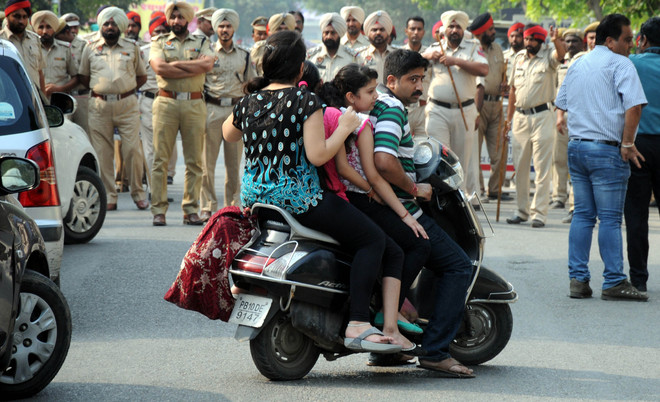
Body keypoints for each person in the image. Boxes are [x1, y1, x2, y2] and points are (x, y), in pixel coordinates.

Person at [222, 30, 405, 353]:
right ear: (301, 68)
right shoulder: (305, 100)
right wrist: (346, 128)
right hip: (299, 199)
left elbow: (229, 134)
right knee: (373, 240)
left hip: (256, 199)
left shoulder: (250, 101)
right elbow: (318, 155)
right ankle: (359, 323)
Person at [316, 63, 431, 362]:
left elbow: (341, 167)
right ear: (352, 97)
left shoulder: (330, 116)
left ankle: (387, 320)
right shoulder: (361, 123)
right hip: (358, 199)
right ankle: (388, 322)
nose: (376, 97)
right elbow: (377, 173)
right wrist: (402, 208)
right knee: (402, 247)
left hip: (336, 196)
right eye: (370, 91)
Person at [370, 49, 474, 376]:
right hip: (400, 206)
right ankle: (436, 351)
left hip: (379, 206)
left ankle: (387, 348)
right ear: (391, 81)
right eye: (413, 79)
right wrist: (414, 187)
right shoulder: (392, 109)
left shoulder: (375, 104)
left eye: (422, 79)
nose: (419, 86)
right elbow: (385, 161)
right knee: (457, 265)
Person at [556, 13, 647, 301]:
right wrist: (628, 142)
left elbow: (563, 103)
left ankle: (578, 280)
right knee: (609, 218)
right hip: (606, 150)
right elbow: (634, 108)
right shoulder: (621, 63)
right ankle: (614, 281)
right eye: (627, 39)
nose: (631, 45)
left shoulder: (578, 62)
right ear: (610, 40)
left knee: (583, 215)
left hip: (578, 146)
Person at [149, 0, 215, 226]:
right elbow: (160, 68)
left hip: (194, 104)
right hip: (166, 102)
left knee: (195, 160)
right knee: (160, 159)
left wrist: (174, 65)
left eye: (180, 17)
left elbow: (207, 66)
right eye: (173, 17)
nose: (176, 21)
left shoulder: (202, 41)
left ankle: (191, 210)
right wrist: (191, 64)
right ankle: (158, 210)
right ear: (169, 20)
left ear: (189, 19)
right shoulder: (159, 41)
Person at [78, 7, 149, 212]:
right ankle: (109, 194)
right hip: (99, 106)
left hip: (127, 105)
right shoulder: (90, 47)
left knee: (132, 150)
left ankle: (138, 193)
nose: (110, 27)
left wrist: (122, 91)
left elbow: (141, 76)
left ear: (121, 26)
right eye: (106, 24)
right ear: (101, 26)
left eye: (114, 23)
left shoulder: (132, 47)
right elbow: (83, 76)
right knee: (103, 152)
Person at [422, 11, 488, 204]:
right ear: (444, 30)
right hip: (437, 110)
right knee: (437, 157)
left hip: (464, 110)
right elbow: (414, 62)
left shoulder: (473, 47)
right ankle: (437, 201)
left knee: (460, 160)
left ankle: (457, 203)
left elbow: (484, 69)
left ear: (463, 30)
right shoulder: (435, 47)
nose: (454, 30)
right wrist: (427, 56)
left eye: (458, 26)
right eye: (451, 26)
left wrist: (456, 61)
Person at [505, 24, 564, 228]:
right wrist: (508, 118)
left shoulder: (549, 56)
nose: (528, 43)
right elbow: (512, 89)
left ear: (541, 41)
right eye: (527, 39)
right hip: (520, 117)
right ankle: (521, 211)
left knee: (541, 168)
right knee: (520, 167)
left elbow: (561, 55)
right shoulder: (519, 57)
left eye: (533, 40)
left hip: (543, 116)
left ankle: (539, 213)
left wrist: (556, 40)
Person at [199, 9, 255, 221]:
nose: (224, 30)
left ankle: (232, 207)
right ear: (215, 28)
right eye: (221, 26)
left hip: (235, 111)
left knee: (234, 164)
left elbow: (251, 84)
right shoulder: (206, 54)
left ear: (234, 28)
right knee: (207, 163)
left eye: (228, 26)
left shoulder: (245, 55)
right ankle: (207, 206)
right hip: (210, 109)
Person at [624, 16, 660, 295]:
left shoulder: (631, 64)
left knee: (636, 214)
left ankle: (639, 279)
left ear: (643, 40)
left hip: (638, 146)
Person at [469, 13, 511, 202]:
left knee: (499, 149)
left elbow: (503, 75)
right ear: (480, 32)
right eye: (491, 29)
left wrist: (505, 84)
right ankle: (478, 191)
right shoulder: (471, 49)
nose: (494, 32)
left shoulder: (498, 50)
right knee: (474, 151)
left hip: (497, 104)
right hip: (477, 104)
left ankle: (495, 190)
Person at [552, 28, 587, 214]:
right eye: (567, 41)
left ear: (582, 43)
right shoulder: (562, 61)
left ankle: (575, 204)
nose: (571, 44)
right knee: (558, 159)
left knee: (575, 161)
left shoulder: (585, 59)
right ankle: (558, 196)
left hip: (578, 115)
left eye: (574, 41)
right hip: (560, 115)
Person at [1, 0, 45, 91]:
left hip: (33, 100)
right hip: (11, 101)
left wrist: (43, 102)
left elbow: (40, 73)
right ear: (7, 16)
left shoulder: (34, 39)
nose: (21, 21)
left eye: (25, 17)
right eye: (16, 16)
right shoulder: (1, 41)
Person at [33, 11, 78, 97]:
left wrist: (60, 89)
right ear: (36, 30)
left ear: (54, 29)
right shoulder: (31, 49)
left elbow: (75, 78)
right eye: (41, 27)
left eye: (49, 27)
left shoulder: (65, 49)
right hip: (37, 100)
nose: (45, 31)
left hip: (60, 99)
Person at [61, 12, 90, 136]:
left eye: (75, 27)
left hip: (81, 96)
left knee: (85, 133)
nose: (73, 30)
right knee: (65, 134)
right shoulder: (57, 44)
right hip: (63, 96)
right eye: (69, 28)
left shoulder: (84, 45)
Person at [306, 13, 356, 83]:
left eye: (333, 33)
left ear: (339, 34)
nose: (329, 36)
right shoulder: (311, 56)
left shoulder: (353, 58)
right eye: (326, 33)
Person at [402, 16, 428, 137]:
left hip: (424, 109)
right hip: (404, 107)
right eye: (412, 29)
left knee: (424, 148)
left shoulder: (432, 53)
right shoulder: (399, 54)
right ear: (406, 31)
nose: (416, 32)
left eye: (419, 29)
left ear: (424, 32)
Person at [357, 11, 396, 82]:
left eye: (382, 30)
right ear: (368, 34)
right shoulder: (359, 55)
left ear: (388, 33)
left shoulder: (397, 54)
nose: (378, 32)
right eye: (374, 30)